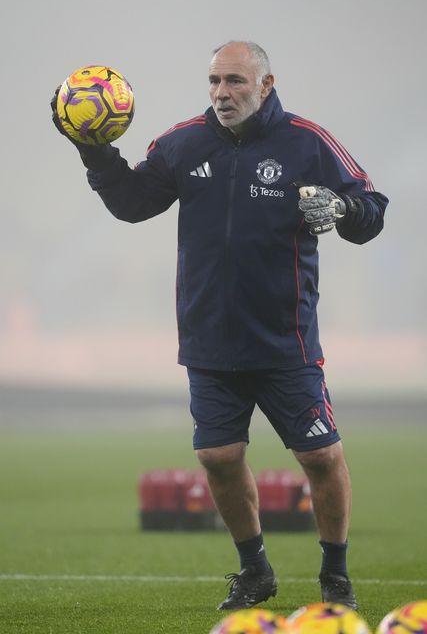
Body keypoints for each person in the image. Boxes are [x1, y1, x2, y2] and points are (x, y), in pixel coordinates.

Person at [51, 41, 388, 611]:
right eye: (214, 81)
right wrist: (96, 155)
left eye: (234, 80)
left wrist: (344, 209)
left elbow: (371, 209)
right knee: (218, 458)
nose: (222, 93)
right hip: (209, 341)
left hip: (287, 341)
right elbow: (133, 204)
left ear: (266, 83)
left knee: (321, 458)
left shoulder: (308, 142)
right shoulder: (184, 143)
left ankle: (335, 577)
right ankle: (255, 571)